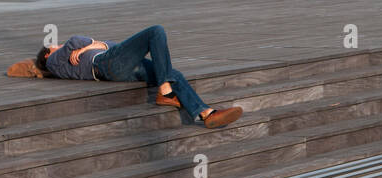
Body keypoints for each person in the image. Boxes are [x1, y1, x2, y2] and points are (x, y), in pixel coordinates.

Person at [35, 25, 242, 128]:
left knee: (171, 73)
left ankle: (206, 113)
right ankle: (165, 92)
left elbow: (110, 44)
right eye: (53, 45)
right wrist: (90, 45)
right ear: (48, 53)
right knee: (156, 32)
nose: (57, 44)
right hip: (106, 63)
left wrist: (93, 45)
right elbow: (75, 40)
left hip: (118, 66)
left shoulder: (72, 55)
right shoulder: (54, 61)